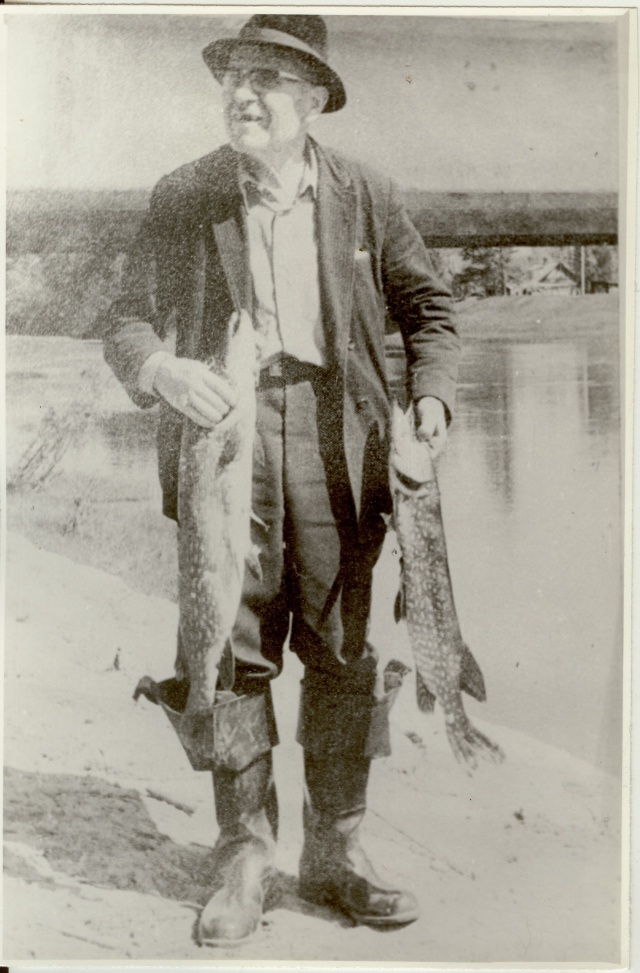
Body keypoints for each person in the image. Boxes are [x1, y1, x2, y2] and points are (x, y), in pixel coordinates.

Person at [104, 14, 460, 947]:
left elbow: (429, 309)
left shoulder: (367, 193)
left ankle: (335, 851)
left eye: (266, 78)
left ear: (313, 98)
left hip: (341, 440)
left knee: (344, 644)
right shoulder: (185, 195)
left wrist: (432, 399)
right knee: (232, 640)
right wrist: (161, 371)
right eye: (233, 76)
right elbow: (125, 318)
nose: (243, 94)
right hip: (223, 440)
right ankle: (245, 854)